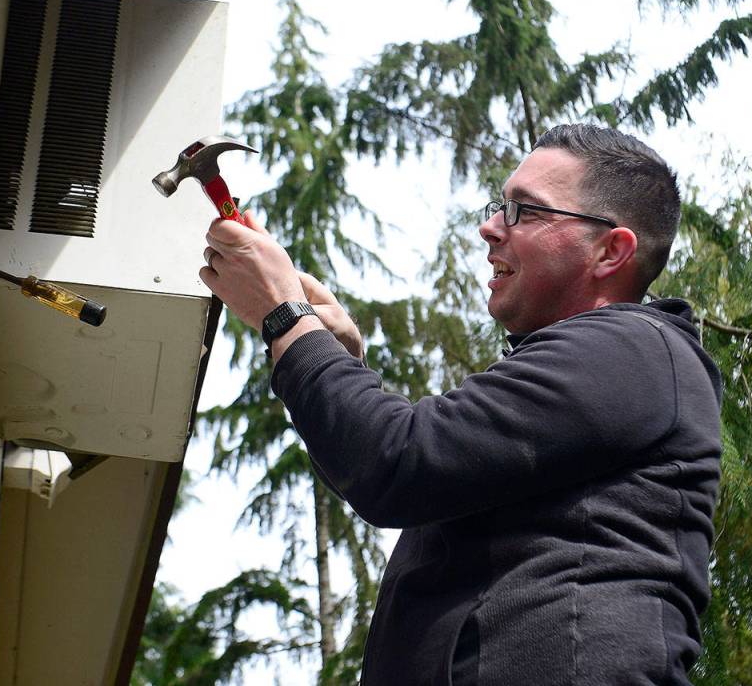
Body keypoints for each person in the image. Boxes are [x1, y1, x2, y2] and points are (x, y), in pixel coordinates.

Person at [198, 123, 722, 685]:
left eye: (526, 210)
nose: (489, 227)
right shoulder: (610, 370)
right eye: (500, 205)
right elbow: (395, 462)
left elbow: (395, 463)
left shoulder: (634, 350)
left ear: (609, 250)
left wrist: (287, 318)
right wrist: (333, 357)